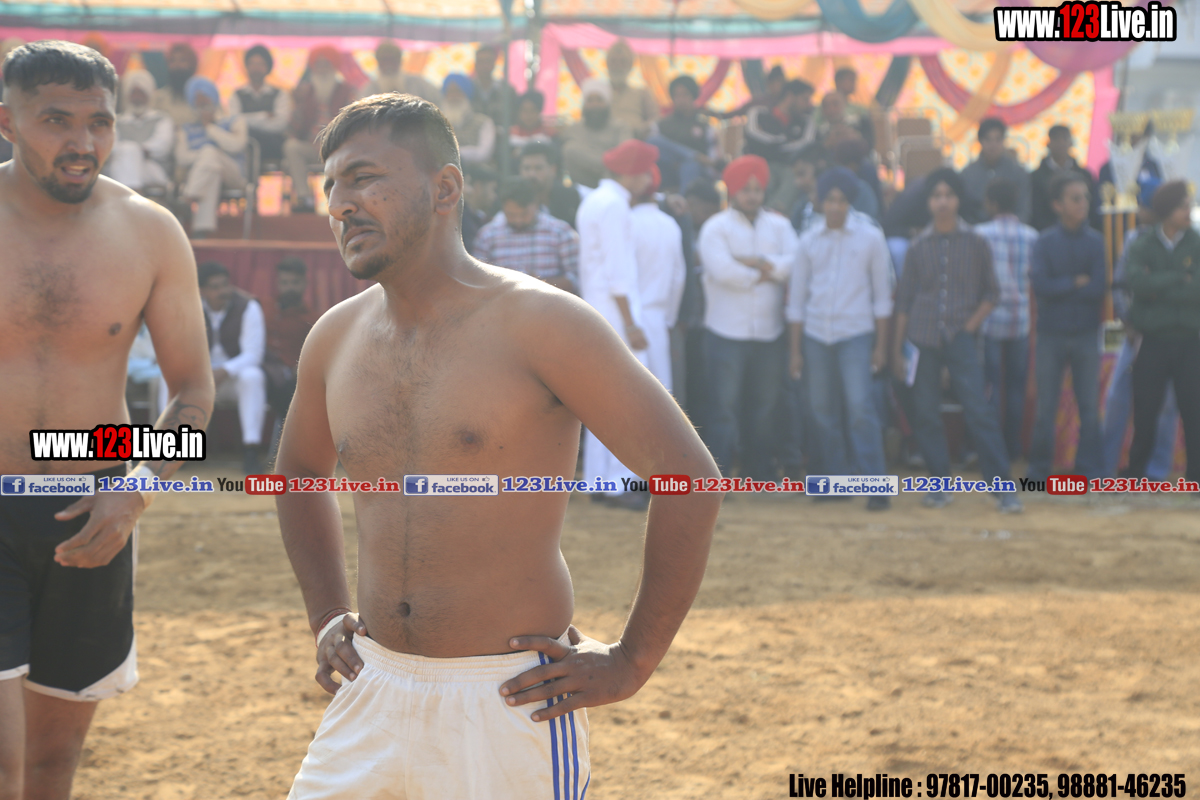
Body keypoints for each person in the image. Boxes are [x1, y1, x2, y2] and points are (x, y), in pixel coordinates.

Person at [276, 93, 721, 798]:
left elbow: (688, 477)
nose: (339, 204)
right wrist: (327, 612)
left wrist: (633, 660)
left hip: (510, 700)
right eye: (331, 186)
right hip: (372, 688)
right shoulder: (334, 337)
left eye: (363, 178)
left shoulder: (542, 323)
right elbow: (298, 473)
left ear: (445, 188)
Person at [0, 41, 213, 800]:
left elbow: (193, 392)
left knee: (50, 766)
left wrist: (137, 483)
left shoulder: (150, 232)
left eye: (100, 122)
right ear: (8, 122)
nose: (82, 142)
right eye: (56, 120)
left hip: (95, 509)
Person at [891, 168, 1022, 512]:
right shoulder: (918, 246)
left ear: (958, 200)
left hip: (961, 336)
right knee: (925, 413)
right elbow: (904, 301)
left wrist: (970, 327)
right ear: (928, 202)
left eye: (948, 195)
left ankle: (1003, 489)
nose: (943, 202)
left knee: (979, 411)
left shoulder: (976, 242)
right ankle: (939, 486)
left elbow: (992, 292)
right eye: (936, 196)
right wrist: (897, 350)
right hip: (922, 336)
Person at [788, 167, 893, 509]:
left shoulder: (870, 238)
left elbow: (882, 297)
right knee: (821, 411)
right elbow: (796, 301)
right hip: (816, 334)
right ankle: (836, 483)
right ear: (820, 201)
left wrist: (880, 346)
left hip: (856, 334)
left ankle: (876, 487)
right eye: (829, 199)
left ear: (850, 203)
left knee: (860, 409)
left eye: (841, 200)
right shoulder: (808, 240)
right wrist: (795, 351)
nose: (835, 206)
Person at [698, 155, 798, 481]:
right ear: (733, 190)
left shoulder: (780, 226)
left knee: (765, 409)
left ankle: (759, 474)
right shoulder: (716, 227)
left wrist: (753, 261)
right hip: (725, 332)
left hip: (769, 332)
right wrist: (767, 270)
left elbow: (794, 264)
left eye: (757, 189)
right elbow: (723, 271)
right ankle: (719, 477)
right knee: (723, 409)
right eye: (746, 189)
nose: (752, 196)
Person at [576, 138, 659, 509]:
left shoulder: (595, 201)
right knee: (627, 400)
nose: (648, 178)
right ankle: (621, 483)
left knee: (603, 401)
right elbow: (619, 271)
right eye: (644, 171)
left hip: (599, 312)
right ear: (632, 173)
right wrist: (631, 323)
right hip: (616, 313)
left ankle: (600, 479)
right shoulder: (615, 206)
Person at [1026, 173, 1107, 482]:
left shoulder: (1096, 241)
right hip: (1052, 334)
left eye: (1085, 197)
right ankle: (1038, 471)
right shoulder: (1044, 241)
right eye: (1076, 198)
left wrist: (1062, 286)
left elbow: (1098, 288)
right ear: (1057, 205)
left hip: (1084, 332)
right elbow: (1041, 286)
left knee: (1089, 407)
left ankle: (1090, 469)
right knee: (1046, 408)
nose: (1083, 204)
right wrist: (1075, 282)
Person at [1122, 180, 1200, 485]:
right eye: (1183, 206)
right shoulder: (1143, 244)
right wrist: (1181, 278)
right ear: (1167, 211)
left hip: (1190, 341)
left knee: (1194, 412)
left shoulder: (1196, 242)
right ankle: (1136, 475)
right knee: (1145, 411)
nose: (1189, 211)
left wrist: (1158, 285)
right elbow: (1138, 285)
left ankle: (1196, 478)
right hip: (1152, 341)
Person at [1102, 181, 1180, 479]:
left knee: (1167, 406)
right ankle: (1105, 468)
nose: (1138, 211)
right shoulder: (1135, 238)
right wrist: (1129, 324)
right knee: (1117, 399)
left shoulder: (1188, 242)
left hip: (1172, 334)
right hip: (1137, 333)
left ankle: (1156, 472)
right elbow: (1120, 285)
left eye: (1142, 205)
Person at [974, 179, 1038, 462]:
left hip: (988, 319)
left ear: (991, 203)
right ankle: (1013, 447)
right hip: (1020, 319)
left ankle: (991, 449)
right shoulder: (1032, 236)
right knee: (1015, 387)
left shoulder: (980, 234)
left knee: (990, 386)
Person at [197, 261, 267, 474]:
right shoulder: (192, 306)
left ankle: (251, 449)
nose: (222, 291)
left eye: (225, 285)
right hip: (201, 380)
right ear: (203, 290)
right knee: (168, 379)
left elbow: (253, 354)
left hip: (233, 379)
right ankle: (176, 450)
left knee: (252, 376)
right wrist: (203, 374)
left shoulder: (248, 306)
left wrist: (225, 370)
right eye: (215, 287)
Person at [631, 166, 687, 394]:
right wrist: (669, 318)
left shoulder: (626, 222)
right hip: (658, 319)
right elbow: (678, 278)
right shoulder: (670, 224)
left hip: (626, 320)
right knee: (660, 395)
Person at [473, 176, 579, 293]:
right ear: (503, 207)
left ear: (536, 204)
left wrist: (539, 283)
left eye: (524, 214)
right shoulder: (487, 236)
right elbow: (477, 280)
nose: (518, 220)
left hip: (549, 302)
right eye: (511, 215)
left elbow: (575, 279)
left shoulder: (560, 232)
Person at [175, 76, 248, 239]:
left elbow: (236, 146)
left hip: (234, 174)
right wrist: (205, 156)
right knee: (211, 168)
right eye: (198, 101)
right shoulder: (186, 129)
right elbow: (182, 158)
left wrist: (210, 128)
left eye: (205, 98)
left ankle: (188, 198)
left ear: (213, 97)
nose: (202, 104)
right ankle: (201, 230)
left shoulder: (235, 120)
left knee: (210, 153)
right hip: (206, 174)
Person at [285, 46, 355, 213]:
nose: (322, 69)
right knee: (291, 147)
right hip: (311, 147)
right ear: (313, 68)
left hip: (338, 150)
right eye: (319, 65)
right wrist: (298, 103)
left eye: (326, 64)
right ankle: (305, 199)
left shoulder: (347, 91)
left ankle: (344, 200)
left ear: (334, 67)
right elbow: (292, 129)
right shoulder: (304, 92)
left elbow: (353, 126)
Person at [678, 178, 721, 425]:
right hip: (683, 321)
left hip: (707, 322)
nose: (709, 218)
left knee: (702, 384)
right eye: (705, 211)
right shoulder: (679, 226)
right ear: (691, 203)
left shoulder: (713, 231)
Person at [744, 79, 815, 211]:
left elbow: (806, 146)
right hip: (758, 165)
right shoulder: (759, 113)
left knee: (793, 179)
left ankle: (771, 215)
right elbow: (753, 138)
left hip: (789, 168)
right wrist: (784, 143)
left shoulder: (806, 122)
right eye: (805, 99)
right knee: (764, 178)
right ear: (790, 96)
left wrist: (772, 145)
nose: (809, 104)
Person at [264, 257, 318, 430]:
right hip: (264, 373)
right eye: (284, 282)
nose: (289, 288)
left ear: (304, 284)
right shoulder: (263, 307)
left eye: (295, 283)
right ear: (278, 284)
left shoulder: (312, 318)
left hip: (292, 378)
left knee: (292, 392)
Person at [104, 68, 173, 192]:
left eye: (141, 93)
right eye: (134, 93)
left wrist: (135, 151)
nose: (137, 97)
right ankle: (134, 193)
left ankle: (127, 196)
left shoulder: (161, 119)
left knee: (128, 150)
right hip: (121, 164)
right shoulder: (117, 121)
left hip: (151, 168)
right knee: (126, 153)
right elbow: (112, 147)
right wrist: (132, 151)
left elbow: (162, 146)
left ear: (149, 95)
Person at [652, 75, 720, 193]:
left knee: (690, 165)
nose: (681, 99)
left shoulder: (706, 127)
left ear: (693, 96)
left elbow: (714, 165)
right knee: (652, 141)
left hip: (697, 174)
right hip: (668, 172)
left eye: (685, 94)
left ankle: (684, 200)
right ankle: (694, 156)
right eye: (677, 95)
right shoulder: (661, 125)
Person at [560, 78, 632, 189]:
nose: (595, 104)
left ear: (607, 103)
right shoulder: (573, 129)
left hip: (614, 184)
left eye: (599, 100)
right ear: (584, 104)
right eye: (590, 100)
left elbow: (625, 157)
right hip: (583, 186)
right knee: (570, 149)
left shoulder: (621, 128)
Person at [228, 44, 292, 164]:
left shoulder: (280, 94)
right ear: (246, 66)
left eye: (260, 64)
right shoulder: (237, 95)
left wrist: (245, 120)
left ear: (267, 68)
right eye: (252, 64)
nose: (256, 68)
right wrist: (264, 116)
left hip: (272, 145)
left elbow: (280, 125)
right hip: (245, 145)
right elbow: (234, 123)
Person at [961, 117, 1031, 225]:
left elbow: (1023, 210)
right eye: (988, 139)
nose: (993, 145)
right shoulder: (967, 175)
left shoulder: (1018, 173)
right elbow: (965, 212)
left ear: (1003, 141)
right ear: (980, 141)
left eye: (998, 139)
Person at [1031, 124, 1099, 232]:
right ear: (1048, 144)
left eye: (1064, 138)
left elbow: (1093, 208)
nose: (1061, 143)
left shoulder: (1085, 175)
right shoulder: (1035, 178)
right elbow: (1035, 211)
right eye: (1056, 139)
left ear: (1071, 143)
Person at [518, 141, 581, 229]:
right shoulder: (514, 199)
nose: (531, 174)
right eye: (526, 168)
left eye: (538, 168)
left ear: (553, 169)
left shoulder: (570, 197)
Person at [605, 39, 658, 138]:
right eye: (613, 61)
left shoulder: (642, 93)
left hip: (634, 139)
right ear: (607, 64)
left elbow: (655, 120)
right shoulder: (598, 94)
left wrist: (640, 129)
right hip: (603, 139)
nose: (618, 66)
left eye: (623, 61)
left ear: (630, 66)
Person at [362, 40, 440, 104]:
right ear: (378, 62)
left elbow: (438, 102)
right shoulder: (370, 91)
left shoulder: (419, 85)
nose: (388, 64)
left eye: (392, 59)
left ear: (399, 60)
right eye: (384, 59)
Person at [441, 73, 495, 165]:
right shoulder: (436, 124)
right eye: (450, 92)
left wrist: (454, 154)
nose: (453, 96)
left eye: (458, 91)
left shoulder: (483, 122)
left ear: (466, 94)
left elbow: (483, 154)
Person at [470, 44, 518, 133]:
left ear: (494, 64)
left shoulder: (507, 91)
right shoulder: (467, 89)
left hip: (500, 138)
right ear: (475, 64)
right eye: (481, 61)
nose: (484, 66)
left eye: (488, 61)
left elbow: (514, 119)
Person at [153, 42, 198, 128]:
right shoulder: (159, 98)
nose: (177, 65)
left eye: (182, 60)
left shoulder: (200, 97)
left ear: (192, 64)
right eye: (172, 61)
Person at [461, 162, 498, 253]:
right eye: (492, 189)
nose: (494, 196)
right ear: (479, 186)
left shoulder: (480, 218)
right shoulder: (462, 221)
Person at [508, 90, 556, 156]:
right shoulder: (511, 134)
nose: (529, 115)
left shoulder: (550, 134)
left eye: (533, 110)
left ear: (539, 112)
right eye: (525, 111)